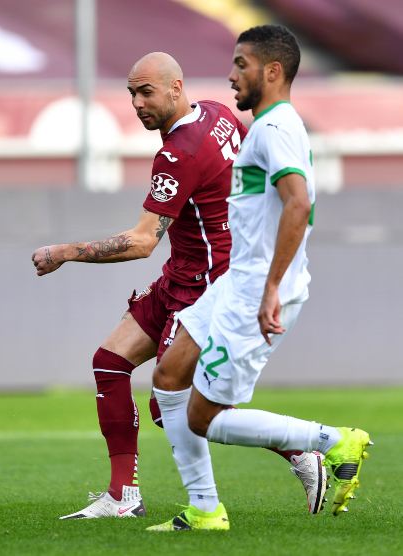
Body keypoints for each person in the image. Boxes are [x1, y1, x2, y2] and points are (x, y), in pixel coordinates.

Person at [31, 51, 324, 520]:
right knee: (110, 362)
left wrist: (66, 252)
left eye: (146, 91)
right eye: (131, 93)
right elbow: (252, 170)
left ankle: (298, 452)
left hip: (207, 284)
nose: (136, 103)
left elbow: (143, 240)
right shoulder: (218, 113)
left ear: (175, 87)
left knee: (176, 405)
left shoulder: (178, 153)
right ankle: (123, 495)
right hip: (182, 274)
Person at [148, 25, 373, 532]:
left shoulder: (274, 130)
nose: (231, 76)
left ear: (273, 71)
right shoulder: (274, 124)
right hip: (237, 282)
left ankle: (330, 440)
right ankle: (204, 510)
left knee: (203, 417)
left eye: (241, 65)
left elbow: (299, 202)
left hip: (255, 291)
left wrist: (270, 288)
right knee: (167, 379)